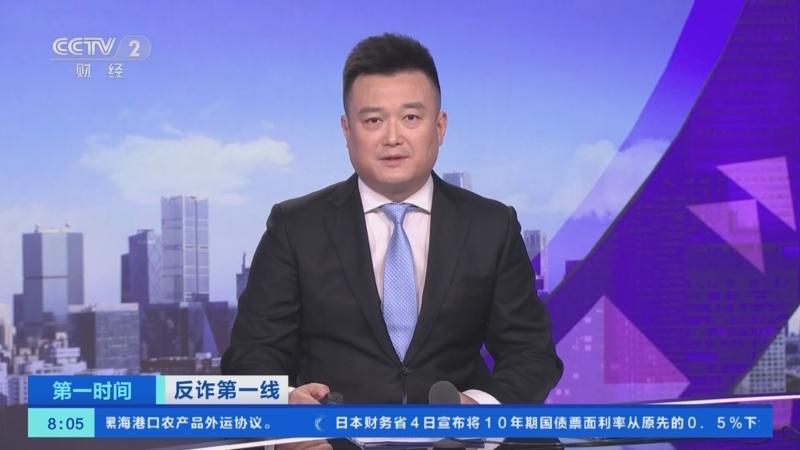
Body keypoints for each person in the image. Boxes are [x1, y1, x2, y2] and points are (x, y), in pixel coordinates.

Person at [222, 31, 562, 420]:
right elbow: (252, 355)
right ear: (347, 131)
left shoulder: (491, 226)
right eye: (373, 120)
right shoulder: (295, 227)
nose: (392, 137)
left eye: (411, 117)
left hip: (460, 439)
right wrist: (287, 413)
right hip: (331, 438)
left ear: (440, 127)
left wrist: (479, 412)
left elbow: (531, 354)